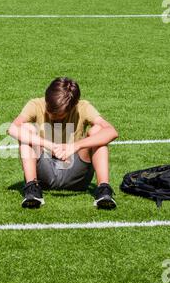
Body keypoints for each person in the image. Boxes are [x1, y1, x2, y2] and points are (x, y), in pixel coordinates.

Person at [8, 77, 118, 209]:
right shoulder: (36, 104)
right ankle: (32, 189)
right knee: (26, 129)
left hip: (77, 174)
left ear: (73, 106)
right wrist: (48, 145)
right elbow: (12, 128)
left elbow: (112, 131)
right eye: (50, 110)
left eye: (59, 115)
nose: (53, 116)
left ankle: (103, 190)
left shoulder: (83, 107)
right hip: (45, 173)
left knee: (98, 130)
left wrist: (75, 146)